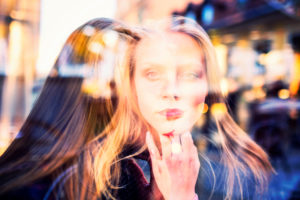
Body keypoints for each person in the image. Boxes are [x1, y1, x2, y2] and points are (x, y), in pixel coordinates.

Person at [0, 17, 273, 200]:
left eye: (191, 74)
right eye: (151, 74)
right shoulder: (94, 179)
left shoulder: (156, 167)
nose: (171, 92)